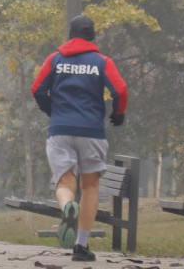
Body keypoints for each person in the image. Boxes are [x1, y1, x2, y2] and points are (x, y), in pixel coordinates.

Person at [30, 15, 128, 262]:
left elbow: (37, 89)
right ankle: (81, 246)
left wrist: (52, 111)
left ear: (70, 35)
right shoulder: (101, 62)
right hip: (91, 131)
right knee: (90, 185)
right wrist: (118, 112)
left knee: (64, 182)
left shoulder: (55, 60)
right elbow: (120, 90)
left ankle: (67, 209)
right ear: (93, 36)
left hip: (60, 130)